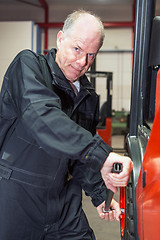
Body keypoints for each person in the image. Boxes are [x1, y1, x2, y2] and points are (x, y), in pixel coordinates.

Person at [0, 9, 133, 240]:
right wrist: (102, 154)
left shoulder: (88, 95)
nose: (83, 62)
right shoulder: (28, 66)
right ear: (60, 39)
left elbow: (79, 158)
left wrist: (100, 193)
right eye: (77, 49)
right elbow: (42, 117)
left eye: (91, 55)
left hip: (63, 201)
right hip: (17, 197)